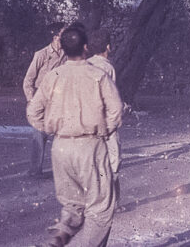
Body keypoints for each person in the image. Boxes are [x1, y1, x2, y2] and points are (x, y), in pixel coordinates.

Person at [26, 27, 123, 247]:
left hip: (60, 148)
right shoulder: (97, 75)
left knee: (72, 205)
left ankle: (57, 239)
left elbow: (33, 111)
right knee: (100, 210)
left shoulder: (53, 76)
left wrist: (51, 129)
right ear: (86, 47)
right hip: (89, 145)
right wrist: (104, 130)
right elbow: (116, 110)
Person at [23, 22, 66, 177]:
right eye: (63, 35)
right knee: (39, 136)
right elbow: (28, 80)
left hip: (59, 101)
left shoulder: (67, 55)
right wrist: (31, 100)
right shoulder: (41, 55)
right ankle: (35, 171)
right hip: (41, 101)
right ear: (55, 37)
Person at [87, 29, 122, 200]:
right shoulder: (108, 68)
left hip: (88, 121)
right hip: (106, 122)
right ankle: (113, 200)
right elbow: (111, 97)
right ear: (108, 47)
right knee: (114, 161)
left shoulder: (85, 65)